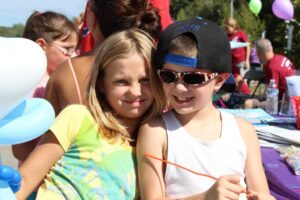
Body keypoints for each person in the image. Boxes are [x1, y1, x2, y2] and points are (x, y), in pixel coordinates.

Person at [15, 29, 163, 200]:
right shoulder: (78, 117)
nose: (135, 91)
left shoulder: (157, 143)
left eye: (145, 80)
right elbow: (25, 181)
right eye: (121, 81)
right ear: (101, 84)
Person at [137, 17, 274, 200]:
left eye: (194, 79)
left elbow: (261, 193)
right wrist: (205, 197)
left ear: (219, 81)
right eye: (168, 76)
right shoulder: (156, 132)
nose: (179, 88)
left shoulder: (244, 131)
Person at [45, 0, 162, 115]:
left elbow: (45, 130)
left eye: (144, 80)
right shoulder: (159, 67)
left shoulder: (67, 73)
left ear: (91, 16)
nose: (135, 91)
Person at [12, 11, 79, 163]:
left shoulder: (62, 78)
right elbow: (20, 148)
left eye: (75, 49)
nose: (74, 56)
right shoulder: (30, 86)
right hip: (37, 174)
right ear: (42, 45)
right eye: (67, 49)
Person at [244, 38, 295, 109]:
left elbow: (272, 94)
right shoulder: (281, 58)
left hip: (284, 104)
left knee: (248, 103)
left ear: (259, 52)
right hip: (294, 99)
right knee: (257, 98)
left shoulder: (272, 67)